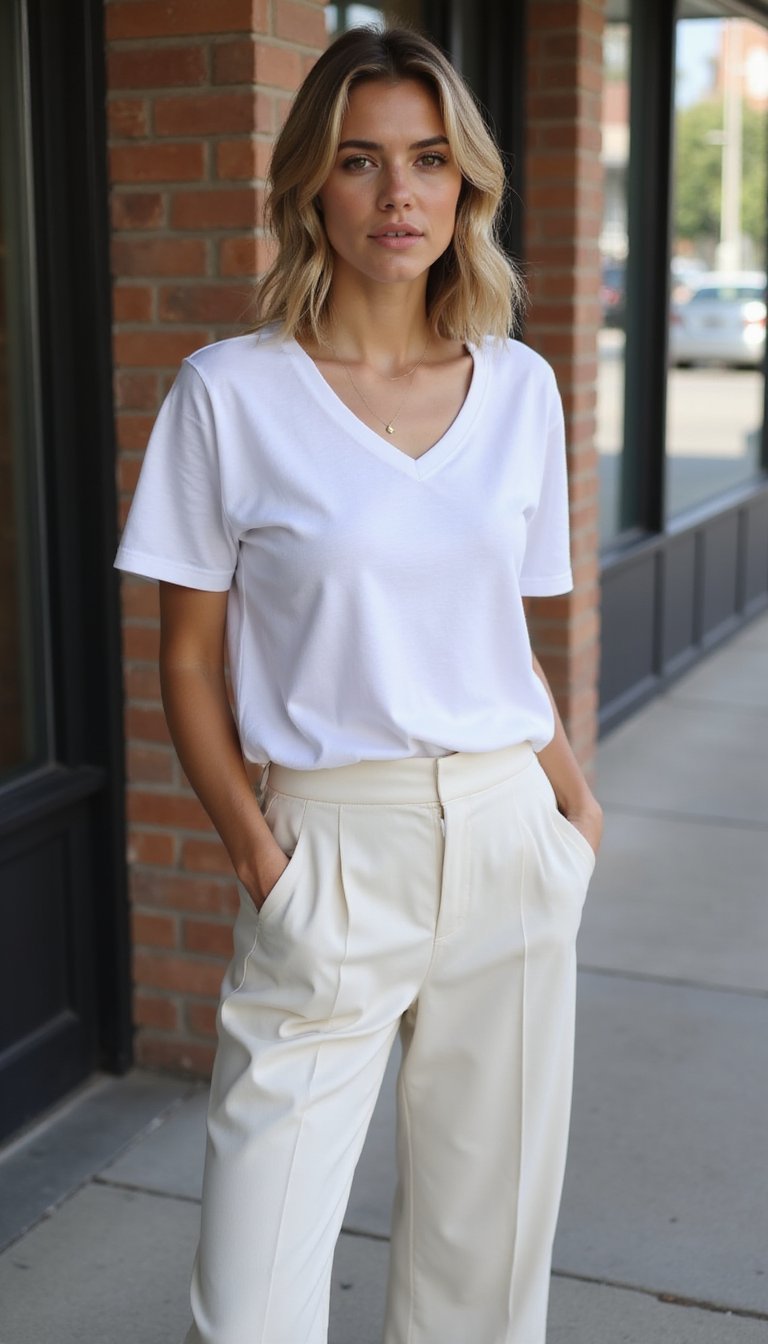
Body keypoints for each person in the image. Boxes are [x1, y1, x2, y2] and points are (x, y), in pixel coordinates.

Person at [114, 23, 603, 1344]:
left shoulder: (521, 390)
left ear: (468, 189)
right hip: (331, 843)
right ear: (308, 188)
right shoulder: (230, 396)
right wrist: (262, 861)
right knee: (255, 1286)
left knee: (482, 1267)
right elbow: (186, 660)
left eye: (431, 161)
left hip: (509, 830)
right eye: (362, 161)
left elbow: (497, 628)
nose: (401, 195)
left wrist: (570, 808)